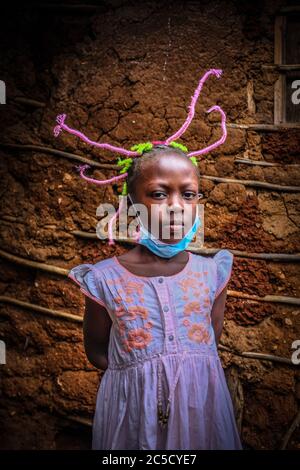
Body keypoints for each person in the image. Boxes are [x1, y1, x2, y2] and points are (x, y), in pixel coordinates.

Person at [54, 69, 243, 450]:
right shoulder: (104, 280)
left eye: (188, 195)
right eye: (159, 194)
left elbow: (210, 340)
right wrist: (144, 378)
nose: (176, 206)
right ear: (130, 206)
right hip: (132, 416)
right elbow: (97, 351)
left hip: (200, 411)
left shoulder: (212, 273)